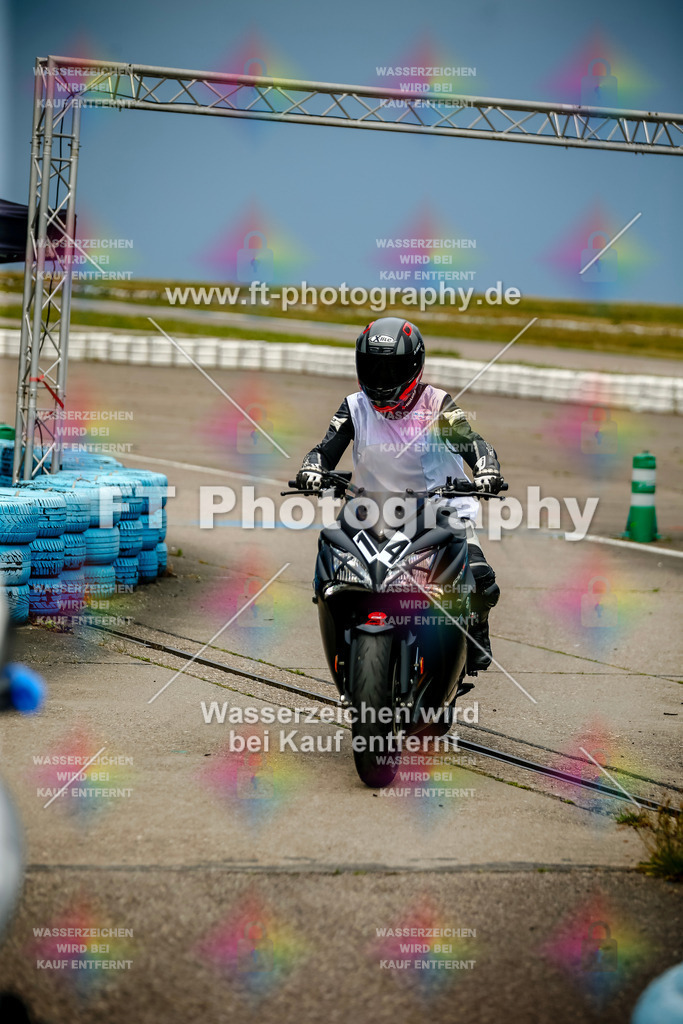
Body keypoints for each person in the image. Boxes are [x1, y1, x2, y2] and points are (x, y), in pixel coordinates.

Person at [295, 316, 504, 673]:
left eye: (390, 370)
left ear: (414, 366)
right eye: (373, 368)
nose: (380, 379)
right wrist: (312, 469)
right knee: (332, 568)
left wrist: (487, 470)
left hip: (442, 511)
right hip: (372, 513)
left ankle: (475, 629)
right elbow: (324, 450)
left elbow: (476, 446)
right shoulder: (354, 406)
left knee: (480, 578)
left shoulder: (438, 406)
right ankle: (345, 645)